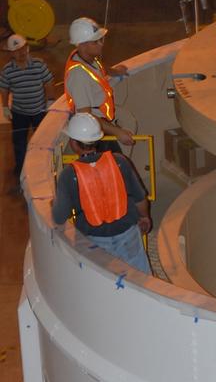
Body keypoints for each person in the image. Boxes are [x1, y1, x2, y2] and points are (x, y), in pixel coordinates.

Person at [52, 113, 152, 274]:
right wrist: (144, 217)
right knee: (141, 280)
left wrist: (53, 204)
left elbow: (59, 217)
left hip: (93, 241)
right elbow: (140, 199)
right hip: (128, 235)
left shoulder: (69, 175)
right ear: (98, 139)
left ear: (73, 143)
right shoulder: (120, 161)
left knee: (100, 281)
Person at [64, 16, 134, 146]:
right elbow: (85, 115)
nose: (101, 43)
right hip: (94, 131)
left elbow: (98, 68)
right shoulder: (78, 76)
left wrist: (115, 71)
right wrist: (118, 132)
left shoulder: (86, 56)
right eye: (96, 41)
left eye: (100, 39)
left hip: (103, 121)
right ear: (82, 45)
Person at [0, 33, 55, 191]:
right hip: (19, 113)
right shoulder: (7, 71)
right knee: (19, 143)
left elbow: (48, 82)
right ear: (11, 53)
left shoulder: (39, 65)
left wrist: (50, 101)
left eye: (23, 48)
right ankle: (21, 169)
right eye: (16, 50)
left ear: (28, 48)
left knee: (42, 140)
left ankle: (42, 167)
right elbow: (4, 89)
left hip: (39, 111)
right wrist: (5, 107)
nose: (21, 52)